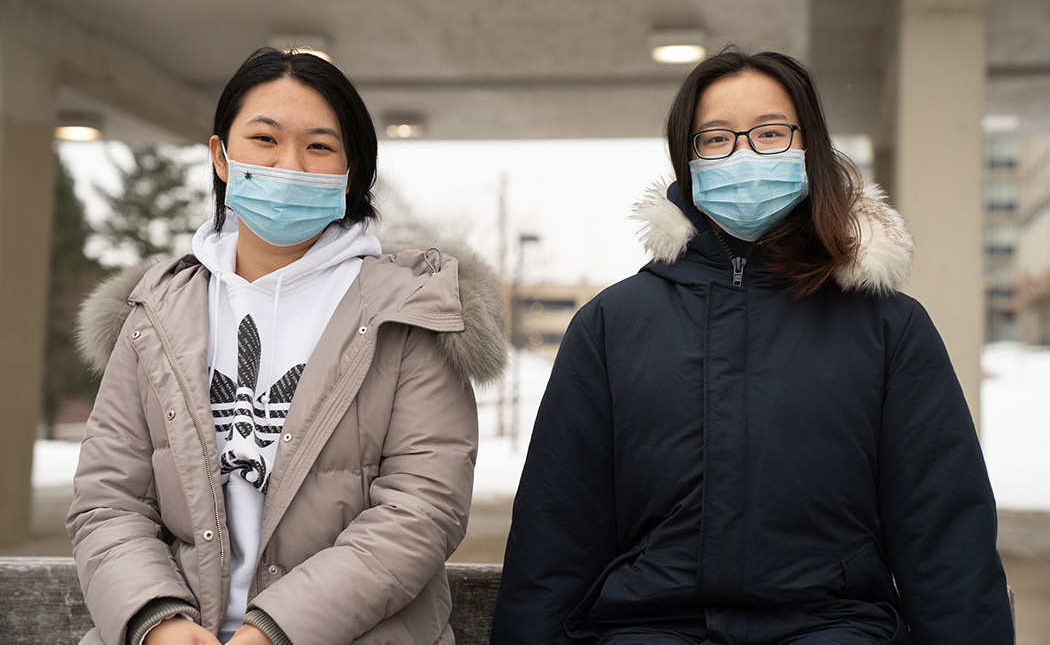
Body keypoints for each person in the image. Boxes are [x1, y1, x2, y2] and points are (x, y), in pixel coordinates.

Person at [490, 49, 1013, 644]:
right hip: (652, 627)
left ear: (810, 147)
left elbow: (943, 528)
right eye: (716, 138)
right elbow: (556, 529)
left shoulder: (889, 327)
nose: (744, 155)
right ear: (688, 162)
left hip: (834, 627)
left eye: (770, 133)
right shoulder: (612, 325)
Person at [68, 47, 506, 645]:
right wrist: (157, 619)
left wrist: (275, 631)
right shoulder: (153, 314)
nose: (290, 166)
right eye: (264, 139)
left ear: (352, 173)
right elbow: (107, 501)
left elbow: (422, 509)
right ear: (221, 157)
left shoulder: (410, 313)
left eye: (319, 147)